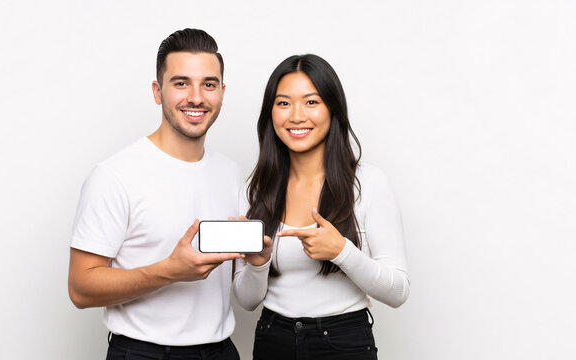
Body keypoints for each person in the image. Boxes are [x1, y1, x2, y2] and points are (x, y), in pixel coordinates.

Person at [68, 28, 245, 360]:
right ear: (157, 91)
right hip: (142, 353)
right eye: (181, 83)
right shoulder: (114, 176)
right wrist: (168, 270)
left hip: (221, 352)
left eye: (208, 84)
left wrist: (260, 264)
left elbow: (243, 283)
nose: (196, 97)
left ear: (222, 92)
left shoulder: (234, 175)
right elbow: (80, 288)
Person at [233, 54, 410, 360]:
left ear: (333, 109)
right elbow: (247, 300)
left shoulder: (367, 183)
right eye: (284, 103)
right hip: (272, 339)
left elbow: (398, 291)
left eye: (311, 102)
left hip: (343, 342)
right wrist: (259, 264)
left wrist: (342, 251)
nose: (296, 116)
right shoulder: (256, 191)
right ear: (270, 113)